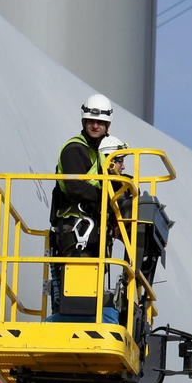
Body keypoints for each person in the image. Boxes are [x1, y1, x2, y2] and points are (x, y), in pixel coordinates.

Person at [49, 94, 124, 321]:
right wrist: (106, 197)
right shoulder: (74, 149)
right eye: (91, 121)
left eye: (100, 122)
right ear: (83, 122)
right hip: (75, 227)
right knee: (78, 283)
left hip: (93, 230)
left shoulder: (100, 155)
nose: (95, 125)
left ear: (107, 126)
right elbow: (74, 187)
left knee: (91, 282)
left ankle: (89, 314)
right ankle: (74, 317)